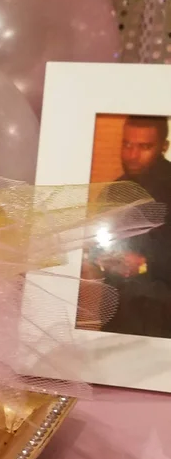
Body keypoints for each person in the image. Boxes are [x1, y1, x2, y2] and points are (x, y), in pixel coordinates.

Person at [84, 115, 171, 337]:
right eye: (127, 144)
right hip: (117, 316)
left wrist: (144, 264)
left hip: (163, 321)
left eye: (144, 147)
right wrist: (100, 257)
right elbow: (97, 247)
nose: (132, 155)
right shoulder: (113, 190)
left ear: (164, 146)